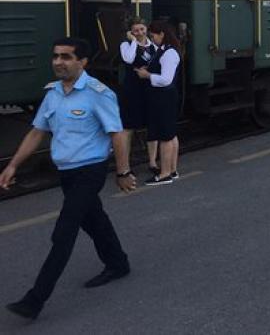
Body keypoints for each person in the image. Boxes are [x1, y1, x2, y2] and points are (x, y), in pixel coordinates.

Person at [0, 38, 135, 320]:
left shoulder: (99, 93)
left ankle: (35, 299)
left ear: (82, 62)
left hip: (90, 170)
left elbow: (118, 134)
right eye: (56, 56)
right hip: (67, 173)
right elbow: (37, 131)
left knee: (65, 231)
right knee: (93, 219)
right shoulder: (53, 94)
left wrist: (122, 172)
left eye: (66, 57)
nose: (58, 62)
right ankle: (118, 263)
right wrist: (13, 165)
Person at [135, 20, 182, 185]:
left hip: (164, 96)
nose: (152, 38)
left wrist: (147, 75)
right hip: (164, 96)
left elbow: (166, 79)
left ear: (162, 34)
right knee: (171, 133)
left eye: (153, 35)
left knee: (165, 135)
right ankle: (173, 170)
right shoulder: (165, 50)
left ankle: (165, 174)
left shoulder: (169, 53)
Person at [119, 18, 159, 175]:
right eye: (135, 30)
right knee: (128, 127)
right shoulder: (126, 45)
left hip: (149, 88)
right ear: (130, 32)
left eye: (142, 29)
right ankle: (125, 166)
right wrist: (134, 41)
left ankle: (153, 162)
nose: (140, 33)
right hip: (132, 90)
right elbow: (128, 59)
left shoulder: (153, 46)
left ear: (146, 29)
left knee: (152, 126)